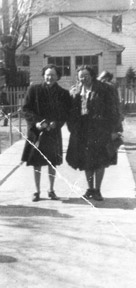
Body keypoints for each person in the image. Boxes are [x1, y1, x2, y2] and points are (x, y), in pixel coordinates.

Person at [66, 65, 120, 201]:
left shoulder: (104, 89)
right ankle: (90, 189)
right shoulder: (77, 90)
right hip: (83, 132)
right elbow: (72, 111)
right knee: (87, 161)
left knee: (100, 161)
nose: (83, 79)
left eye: (86, 76)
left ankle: (98, 190)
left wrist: (114, 130)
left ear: (92, 76)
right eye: (80, 77)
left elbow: (113, 110)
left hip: (101, 130)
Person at [21, 64, 71, 202]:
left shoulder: (63, 93)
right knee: (36, 162)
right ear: (43, 75)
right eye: (48, 74)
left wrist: (57, 123)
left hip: (53, 132)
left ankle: (51, 189)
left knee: (52, 162)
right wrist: (36, 123)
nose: (50, 77)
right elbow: (26, 109)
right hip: (36, 131)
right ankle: (37, 191)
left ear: (58, 77)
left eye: (53, 75)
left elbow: (65, 113)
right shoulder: (34, 90)